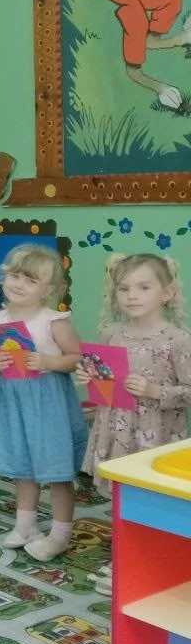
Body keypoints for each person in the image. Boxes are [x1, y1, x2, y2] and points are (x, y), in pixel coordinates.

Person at [80, 253, 191, 594]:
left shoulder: (177, 340)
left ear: (167, 293)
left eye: (143, 287)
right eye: (124, 288)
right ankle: (123, 558)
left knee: (151, 500)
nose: (132, 295)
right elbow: (105, 378)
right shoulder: (111, 333)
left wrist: (155, 390)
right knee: (119, 496)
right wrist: (90, 378)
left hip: (154, 435)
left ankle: (148, 563)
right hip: (115, 429)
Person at [0, 244, 88, 562]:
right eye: (15, 276)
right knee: (23, 466)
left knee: (56, 470)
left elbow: (77, 358)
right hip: (13, 401)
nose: (19, 284)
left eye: (30, 280)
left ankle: (60, 534)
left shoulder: (53, 320)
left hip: (48, 403)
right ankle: (25, 525)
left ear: (49, 290)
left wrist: (49, 361)